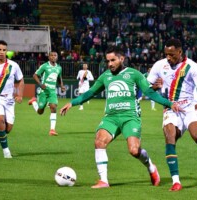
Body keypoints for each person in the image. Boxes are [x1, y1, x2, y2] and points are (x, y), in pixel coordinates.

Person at [60, 46, 181, 189]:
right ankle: (103, 180)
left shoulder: (133, 74)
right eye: (108, 61)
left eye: (113, 60)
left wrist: (168, 103)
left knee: (134, 150)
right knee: (99, 141)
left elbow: (150, 92)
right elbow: (90, 93)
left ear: (121, 59)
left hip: (130, 117)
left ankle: (151, 167)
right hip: (111, 117)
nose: (110, 64)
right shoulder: (105, 76)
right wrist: (72, 103)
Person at [147, 38, 197, 191]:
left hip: (191, 107)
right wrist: (154, 86)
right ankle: (176, 181)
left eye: (172, 55)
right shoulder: (159, 65)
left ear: (180, 52)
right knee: (170, 137)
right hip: (171, 107)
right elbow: (147, 88)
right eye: (166, 54)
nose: (169, 58)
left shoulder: (192, 67)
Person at [0, 40, 24, 158]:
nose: (2, 52)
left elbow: (21, 80)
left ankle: (2, 136)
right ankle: (6, 151)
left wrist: (20, 95)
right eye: (0, 50)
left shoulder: (13, 65)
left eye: (4, 50)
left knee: (7, 129)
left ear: (6, 51)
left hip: (9, 100)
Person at [28, 51, 65, 136]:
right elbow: (35, 75)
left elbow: (59, 78)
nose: (53, 57)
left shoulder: (59, 67)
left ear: (57, 57)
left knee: (53, 107)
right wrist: (40, 84)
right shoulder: (44, 66)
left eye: (55, 55)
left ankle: (52, 130)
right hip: (43, 91)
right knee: (40, 111)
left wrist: (62, 86)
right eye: (51, 55)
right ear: (49, 57)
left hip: (52, 91)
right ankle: (34, 101)